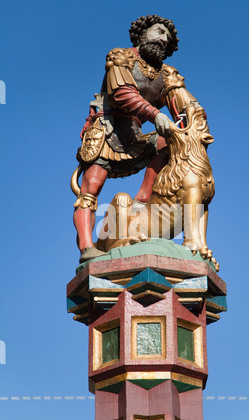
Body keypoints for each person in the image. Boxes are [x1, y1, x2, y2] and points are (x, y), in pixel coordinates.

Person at [73, 15, 191, 263]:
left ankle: (143, 198)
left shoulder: (167, 74)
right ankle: (87, 248)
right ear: (142, 33)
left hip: (135, 136)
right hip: (107, 129)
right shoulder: (121, 57)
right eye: (158, 32)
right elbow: (122, 95)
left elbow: (184, 106)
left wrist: (193, 123)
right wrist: (156, 114)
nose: (162, 40)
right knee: (89, 189)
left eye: (166, 39)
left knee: (168, 143)